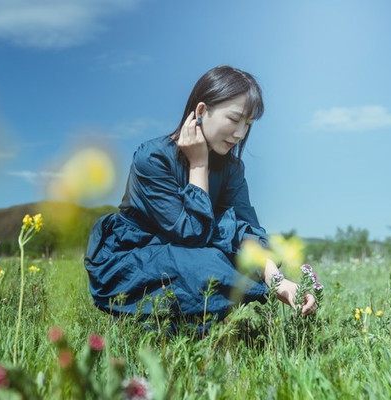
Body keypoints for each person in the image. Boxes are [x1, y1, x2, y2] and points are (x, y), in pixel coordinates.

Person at [84, 65, 317, 323]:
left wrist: (277, 280)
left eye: (248, 124)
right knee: (207, 265)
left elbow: (246, 227)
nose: (240, 134)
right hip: (137, 259)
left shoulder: (232, 168)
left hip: (194, 255)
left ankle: (197, 323)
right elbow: (191, 234)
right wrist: (198, 165)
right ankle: (159, 322)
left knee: (243, 262)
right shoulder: (152, 158)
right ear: (202, 111)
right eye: (234, 119)